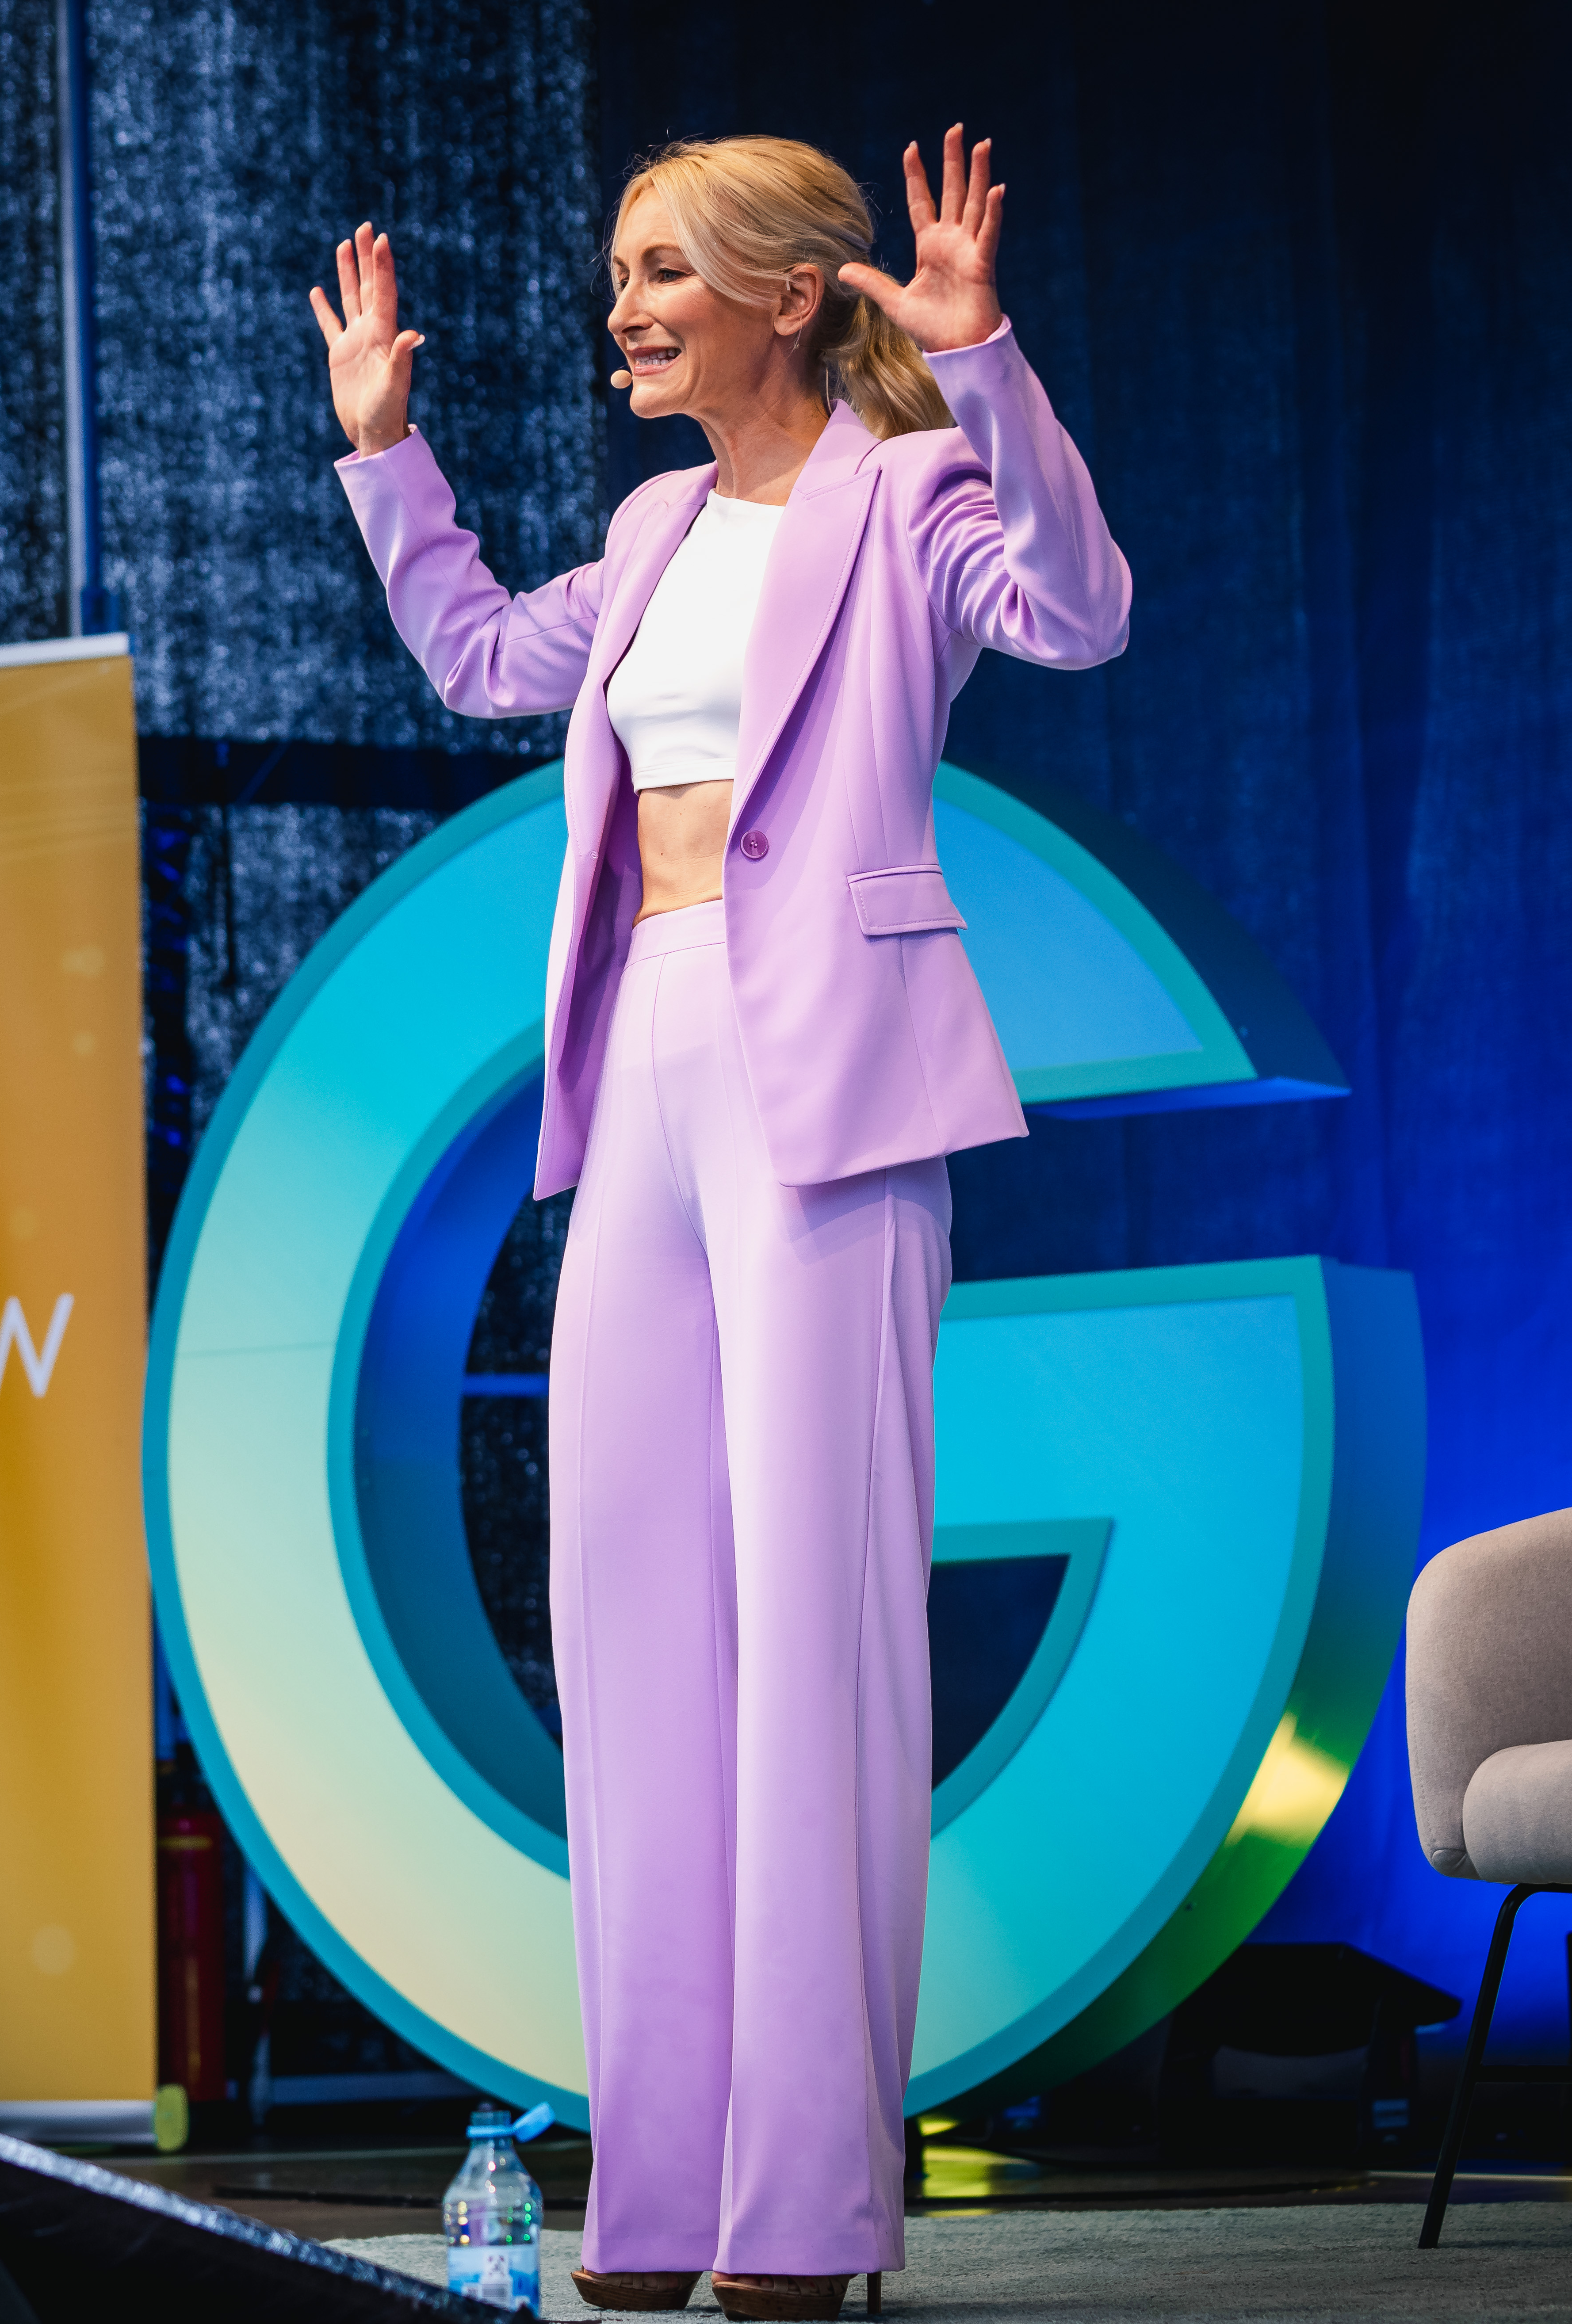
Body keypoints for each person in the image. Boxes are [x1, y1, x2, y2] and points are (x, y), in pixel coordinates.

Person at [311, 130, 1128, 2322]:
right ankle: (657, 2190)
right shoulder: (653, 525)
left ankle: (807, 2204)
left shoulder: (902, 488)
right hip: (641, 1063)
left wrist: (985, 365)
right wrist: (388, 457)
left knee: (818, 1638)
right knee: (632, 1621)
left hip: (832, 1074)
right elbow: (485, 656)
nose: (621, 309)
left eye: (661, 271)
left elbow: (1079, 608)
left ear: (784, 290)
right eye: (613, 274)